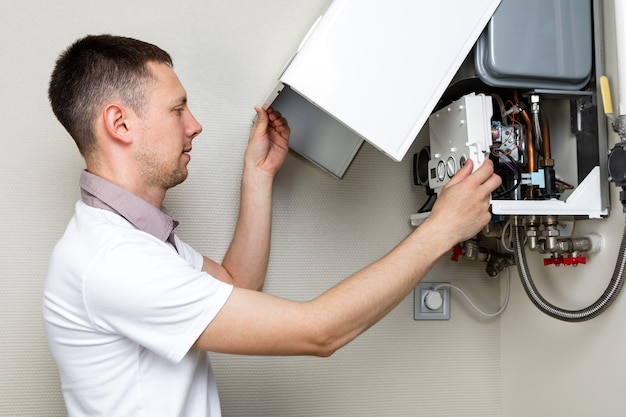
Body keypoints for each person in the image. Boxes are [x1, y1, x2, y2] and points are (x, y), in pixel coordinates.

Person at [42, 34, 501, 417]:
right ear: (119, 123)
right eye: (177, 109)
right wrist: (440, 229)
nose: (195, 125)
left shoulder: (132, 237)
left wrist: (258, 176)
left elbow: (236, 282)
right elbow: (319, 332)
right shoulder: (115, 261)